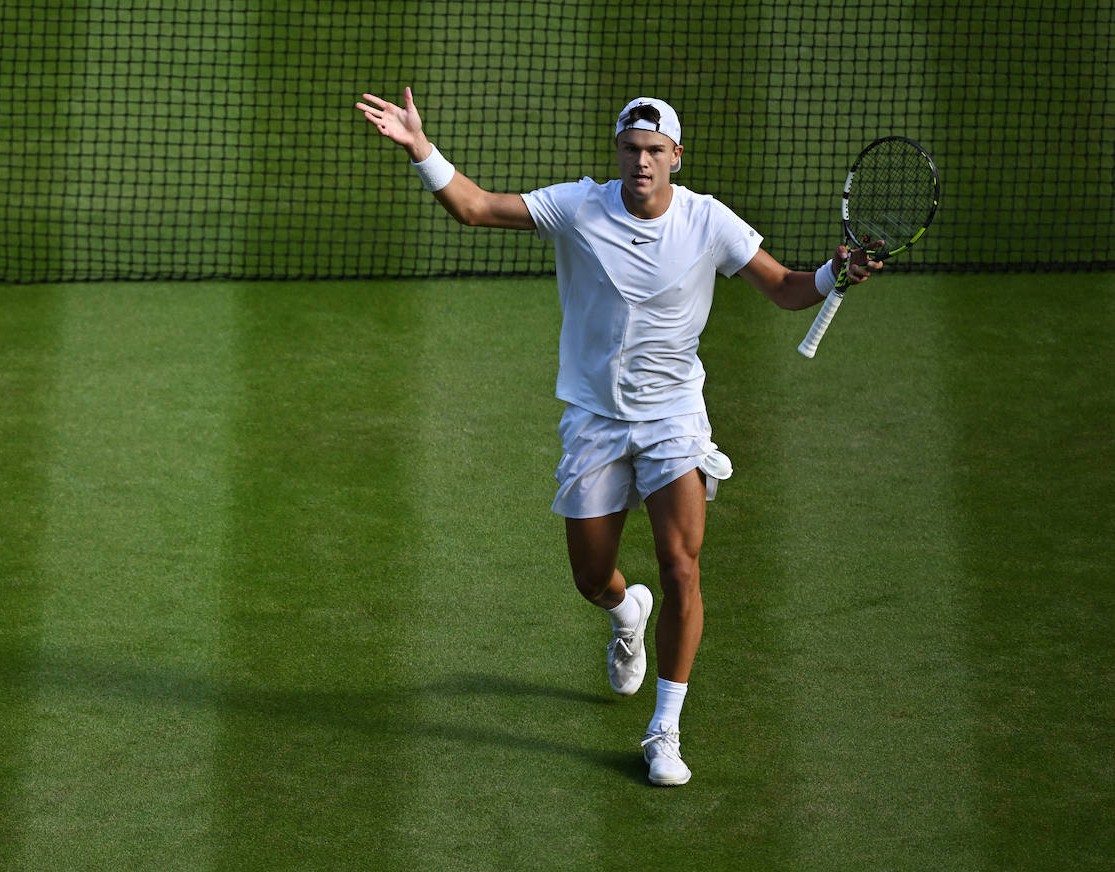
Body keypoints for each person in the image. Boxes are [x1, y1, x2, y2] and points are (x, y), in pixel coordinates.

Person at [355, 86, 881, 786]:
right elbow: (476, 207)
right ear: (618, 153)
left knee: (681, 565)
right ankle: (624, 611)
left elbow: (784, 287)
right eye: (631, 149)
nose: (642, 161)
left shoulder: (708, 221)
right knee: (591, 575)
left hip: (672, 421)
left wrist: (832, 273)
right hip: (595, 420)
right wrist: (422, 147)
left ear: (675, 157)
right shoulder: (578, 207)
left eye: (655, 150)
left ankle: (665, 730)